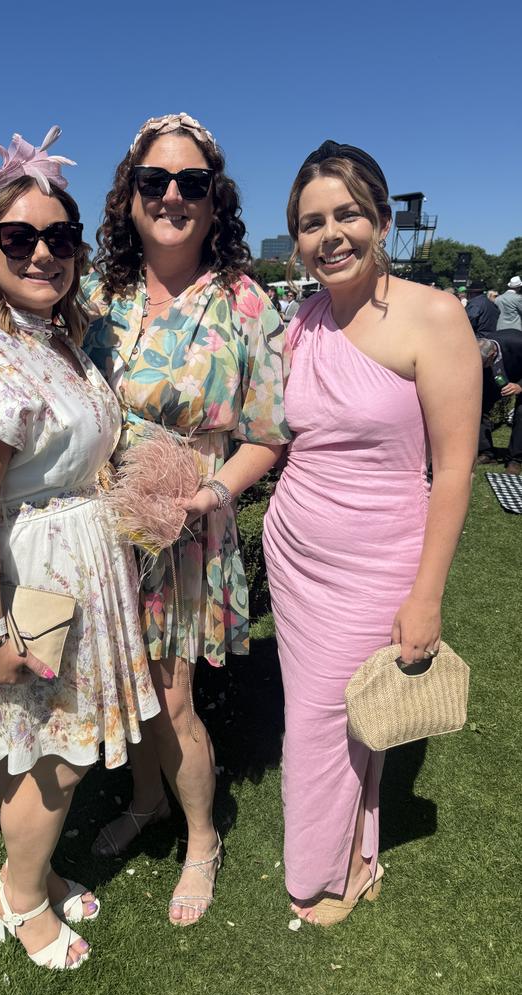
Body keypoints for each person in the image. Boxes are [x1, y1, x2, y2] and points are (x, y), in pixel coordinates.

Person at [0, 126, 159, 970]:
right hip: (28, 585)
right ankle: (19, 902)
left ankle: (34, 874)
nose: (44, 253)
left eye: (61, 237)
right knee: (52, 761)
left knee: (39, 755)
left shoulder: (49, 334)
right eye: (19, 237)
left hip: (74, 571)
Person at [263, 139, 480, 926]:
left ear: (382, 219)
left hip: (379, 552)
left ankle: (318, 877)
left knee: (327, 719)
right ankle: (354, 849)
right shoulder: (301, 323)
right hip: (294, 550)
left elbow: (454, 470)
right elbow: (278, 436)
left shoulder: (436, 315)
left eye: (347, 213)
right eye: (311, 222)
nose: (330, 235)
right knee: (338, 712)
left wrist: (428, 597)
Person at [81, 113, 290, 926]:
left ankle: (201, 836)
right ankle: (146, 799)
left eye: (191, 183)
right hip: (106, 523)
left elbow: (267, 433)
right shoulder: (101, 295)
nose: (172, 196)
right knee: (125, 689)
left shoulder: (245, 302)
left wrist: (209, 495)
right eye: (154, 181)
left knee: (172, 699)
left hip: (186, 526)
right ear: (129, 197)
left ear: (215, 198)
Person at [477, 334, 522, 474]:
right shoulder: (477, 345)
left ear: (493, 353)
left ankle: (515, 459)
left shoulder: (517, 343)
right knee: (480, 405)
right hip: (496, 375)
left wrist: (520, 386)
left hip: (519, 373)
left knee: (521, 413)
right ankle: (487, 453)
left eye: (484, 362)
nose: (482, 366)